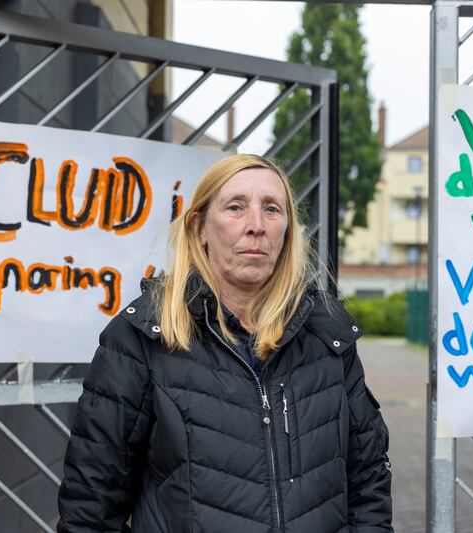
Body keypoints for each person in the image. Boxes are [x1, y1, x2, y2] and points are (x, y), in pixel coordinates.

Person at [57, 154, 393, 532]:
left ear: (287, 230)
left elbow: (368, 481)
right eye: (235, 207)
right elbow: (90, 505)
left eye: (272, 209)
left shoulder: (327, 335)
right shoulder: (143, 337)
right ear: (199, 227)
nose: (256, 226)